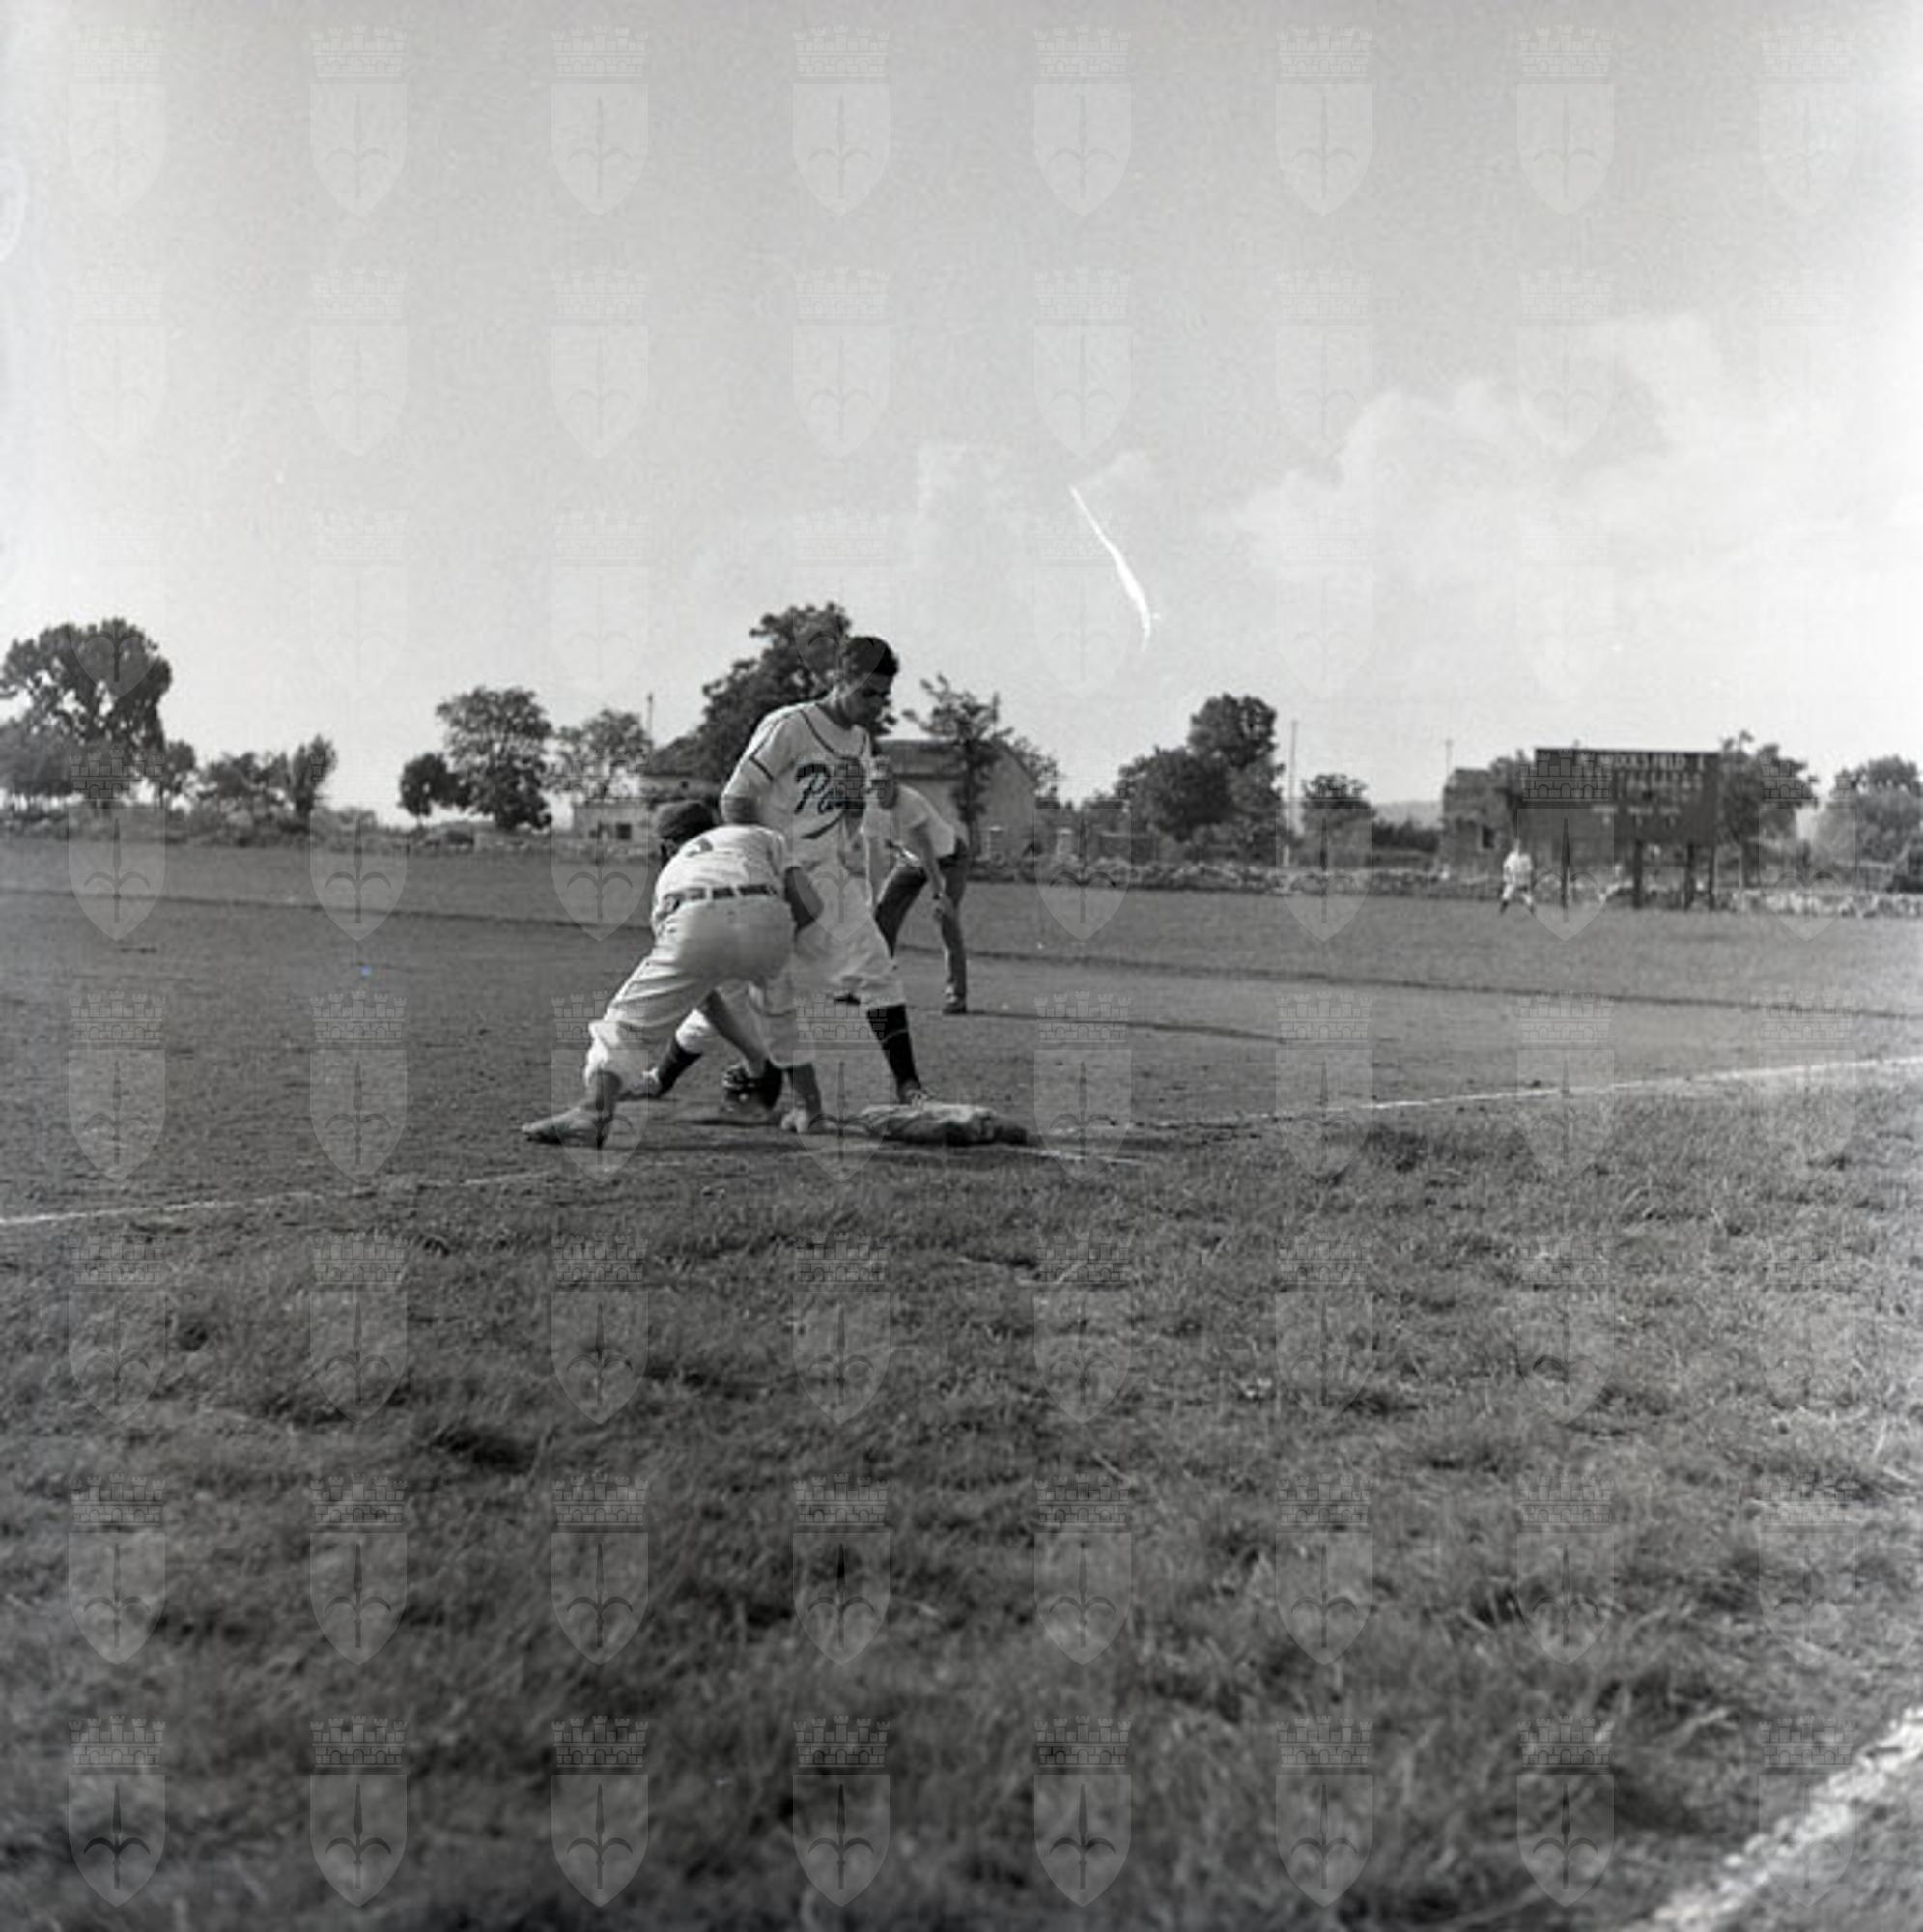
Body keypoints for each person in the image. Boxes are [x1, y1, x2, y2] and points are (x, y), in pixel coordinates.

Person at [639, 633, 931, 1118]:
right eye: (867, 692)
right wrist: (763, 863)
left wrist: (844, 845)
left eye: (883, 696)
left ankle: (909, 1087)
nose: (876, 704)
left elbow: (848, 807)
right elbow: (736, 798)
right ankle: (661, 1078)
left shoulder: (860, 743)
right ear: (840, 677)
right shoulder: (790, 726)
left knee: (876, 969)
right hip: (770, 875)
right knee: (738, 986)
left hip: (824, 877)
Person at [521, 799, 825, 1147]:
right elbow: (810, 904)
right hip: (768, 911)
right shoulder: (757, 836)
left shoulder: (672, 873)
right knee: (782, 1015)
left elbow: (705, 1001)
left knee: (626, 1021)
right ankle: (810, 1110)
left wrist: (752, 1054)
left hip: (694, 910)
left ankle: (595, 1110)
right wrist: (777, 946)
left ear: (667, 846)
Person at [863, 756, 970, 1014]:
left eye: (884, 784)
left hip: (948, 859)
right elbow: (873, 854)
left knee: (945, 918)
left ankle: (956, 996)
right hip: (911, 860)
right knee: (883, 913)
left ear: (895, 783)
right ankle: (878, 986)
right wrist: (872, 895)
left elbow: (927, 850)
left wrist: (939, 894)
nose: (880, 790)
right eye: (875, 784)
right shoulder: (871, 808)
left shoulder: (910, 803)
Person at [1499, 838, 1535, 914]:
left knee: (1526, 895)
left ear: (1523, 847)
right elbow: (1506, 866)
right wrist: (1507, 876)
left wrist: (1529, 878)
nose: (1519, 848)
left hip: (1522, 880)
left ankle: (1532, 910)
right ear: (1515, 847)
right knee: (1507, 893)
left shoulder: (1526, 857)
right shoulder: (1511, 856)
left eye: (1520, 846)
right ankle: (1502, 909)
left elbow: (1530, 869)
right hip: (1512, 879)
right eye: (1518, 846)